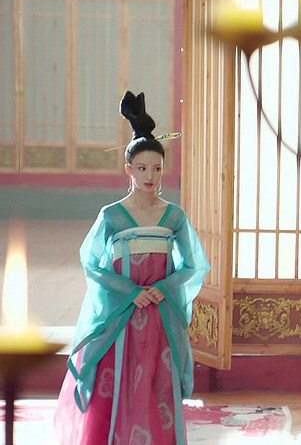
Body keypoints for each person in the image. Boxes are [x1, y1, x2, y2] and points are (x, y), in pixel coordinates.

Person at [54, 91, 210, 445]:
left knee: (156, 383)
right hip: (121, 316)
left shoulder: (173, 217)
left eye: (156, 168)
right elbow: (91, 262)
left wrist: (164, 288)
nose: (150, 175)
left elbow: (193, 265)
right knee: (117, 380)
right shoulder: (111, 216)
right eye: (142, 168)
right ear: (129, 170)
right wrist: (129, 292)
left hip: (158, 315)